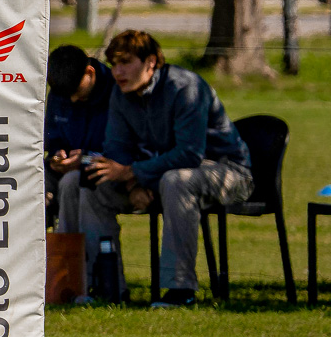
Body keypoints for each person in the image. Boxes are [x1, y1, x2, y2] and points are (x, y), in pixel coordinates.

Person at [78, 30, 252, 307]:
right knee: (93, 188)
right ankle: (106, 287)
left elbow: (190, 154)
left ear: (150, 62)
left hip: (228, 171)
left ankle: (179, 290)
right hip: (160, 176)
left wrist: (134, 173)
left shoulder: (186, 87)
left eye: (125, 63)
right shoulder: (121, 93)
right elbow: (117, 150)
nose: (118, 71)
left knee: (176, 180)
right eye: (113, 64)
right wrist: (133, 184)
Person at [46, 44, 113, 237]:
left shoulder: (116, 92)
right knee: (29, 180)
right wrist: (57, 154)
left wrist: (82, 160)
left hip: (101, 170)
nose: (73, 100)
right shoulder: (62, 91)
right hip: (65, 169)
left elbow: (120, 150)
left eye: (77, 91)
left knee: (72, 182)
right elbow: (54, 137)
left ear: (90, 72)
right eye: (67, 96)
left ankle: (70, 258)